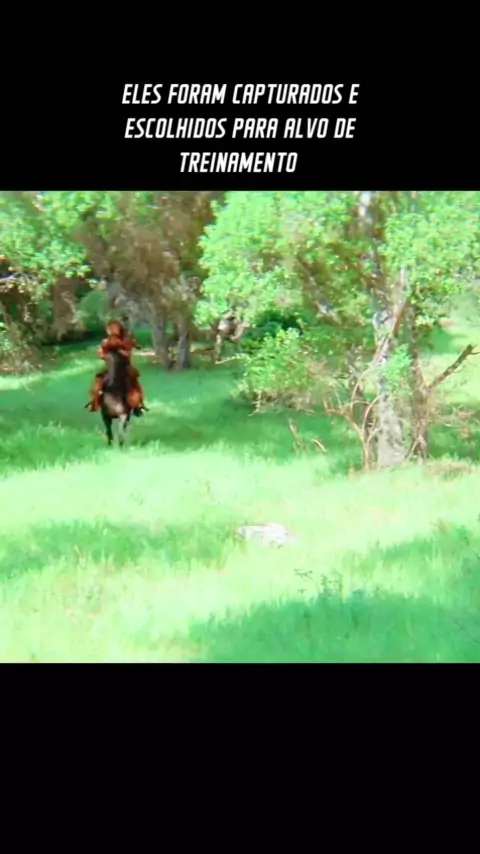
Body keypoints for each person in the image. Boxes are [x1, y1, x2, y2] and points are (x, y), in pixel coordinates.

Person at [85, 320, 148, 416]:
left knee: (135, 384)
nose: (112, 330)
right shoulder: (105, 342)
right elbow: (101, 353)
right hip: (109, 366)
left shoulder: (126, 340)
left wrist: (120, 350)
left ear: (119, 329)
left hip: (125, 366)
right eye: (110, 328)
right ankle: (95, 403)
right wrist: (105, 355)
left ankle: (139, 405)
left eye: (114, 328)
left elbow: (128, 353)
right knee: (97, 385)